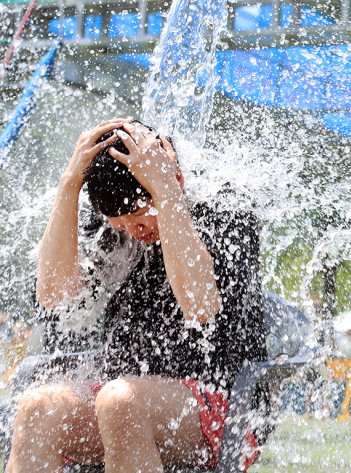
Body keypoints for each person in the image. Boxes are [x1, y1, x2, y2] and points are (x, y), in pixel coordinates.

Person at [7, 119, 267, 472]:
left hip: (225, 405)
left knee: (120, 402)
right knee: (40, 408)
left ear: (174, 175)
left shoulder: (225, 204)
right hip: (121, 399)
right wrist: (69, 186)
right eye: (122, 224)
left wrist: (166, 192)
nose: (133, 231)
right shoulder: (111, 224)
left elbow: (200, 307)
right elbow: (54, 296)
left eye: (139, 217)